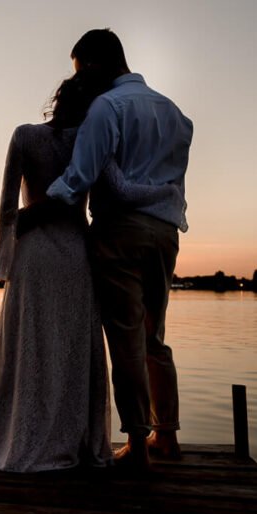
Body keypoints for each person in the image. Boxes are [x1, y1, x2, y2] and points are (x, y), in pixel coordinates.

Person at [46, 29, 193, 471]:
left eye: (80, 70)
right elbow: (173, 180)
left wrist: (40, 208)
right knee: (154, 337)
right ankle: (168, 436)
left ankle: (138, 446)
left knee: (126, 339)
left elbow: (80, 175)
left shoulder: (107, 107)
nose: (79, 79)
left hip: (120, 232)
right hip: (165, 233)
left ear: (94, 64)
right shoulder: (175, 114)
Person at [0, 72, 113, 472]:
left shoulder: (25, 136)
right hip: (75, 251)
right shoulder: (92, 142)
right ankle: (74, 437)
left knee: (29, 344)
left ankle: (19, 433)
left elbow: (6, 206)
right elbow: (103, 202)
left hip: (33, 252)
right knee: (71, 346)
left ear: (57, 99)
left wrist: (5, 259)